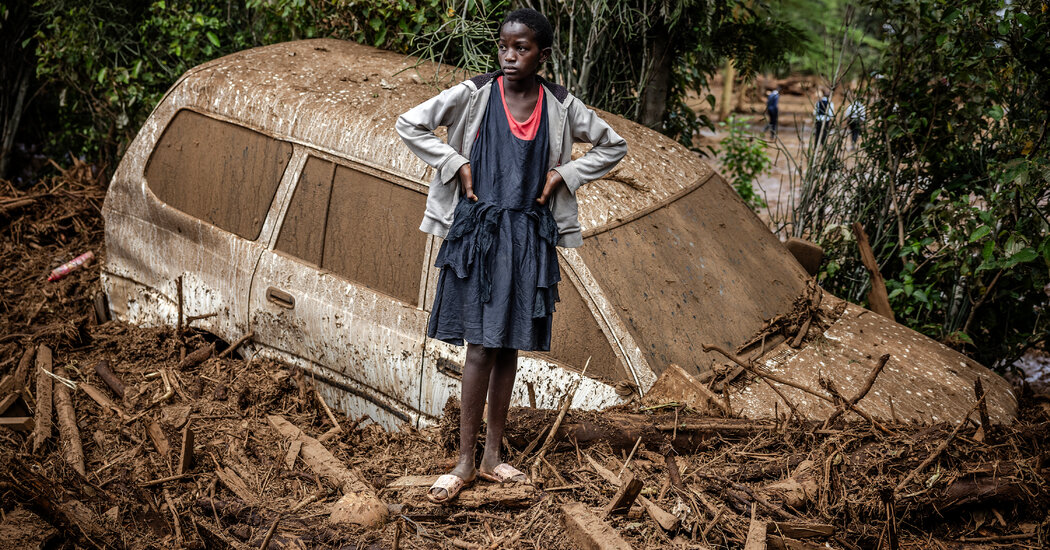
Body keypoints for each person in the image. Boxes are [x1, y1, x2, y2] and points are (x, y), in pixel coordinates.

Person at [396, 8, 626, 503]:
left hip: (529, 238)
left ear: (543, 54)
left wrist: (566, 174)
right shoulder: (475, 94)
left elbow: (613, 145)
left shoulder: (561, 105)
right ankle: (463, 461)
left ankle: (494, 456)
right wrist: (454, 162)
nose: (509, 56)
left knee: (507, 348)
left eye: (522, 49)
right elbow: (410, 123)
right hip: (480, 235)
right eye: (504, 46)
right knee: (479, 347)